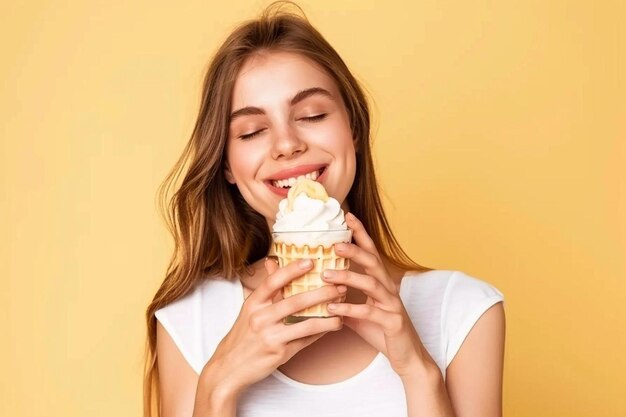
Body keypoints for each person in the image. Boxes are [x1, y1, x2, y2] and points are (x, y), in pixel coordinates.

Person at [144, 4, 505, 417]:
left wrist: (418, 370)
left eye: (312, 114)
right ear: (226, 164)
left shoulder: (462, 309)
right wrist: (218, 384)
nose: (286, 143)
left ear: (352, 127)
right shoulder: (190, 319)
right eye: (252, 131)